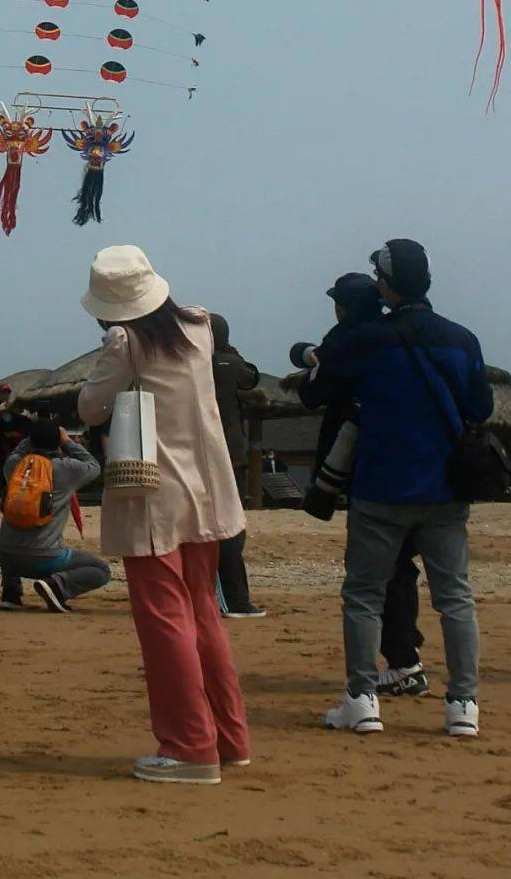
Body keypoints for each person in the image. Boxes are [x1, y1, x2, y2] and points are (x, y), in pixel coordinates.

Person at [300, 239, 490, 738]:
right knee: (455, 596)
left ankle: (362, 701)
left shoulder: (368, 339)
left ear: (384, 285)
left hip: (381, 483)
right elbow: (481, 407)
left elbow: (318, 389)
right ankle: (463, 705)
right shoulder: (461, 339)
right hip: (446, 487)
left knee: (363, 594)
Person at [77, 245, 249, 786]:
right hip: (208, 486)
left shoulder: (124, 340)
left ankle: (190, 746)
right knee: (202, 610)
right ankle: (228, 736)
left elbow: (90, 408)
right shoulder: (199, 325)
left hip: (151, 488)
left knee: (163, 619)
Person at [293, 274, 430, 698]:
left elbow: (314, 396)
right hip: (414, 460)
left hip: (363, 464)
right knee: (402, 567)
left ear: (344, 306)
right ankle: (406, 654)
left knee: (373, 574)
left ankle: (399, 662)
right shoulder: (395, 333)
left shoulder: (345, 339)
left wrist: (315, 361)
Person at [0, 418, 105, 612]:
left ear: (31, 441)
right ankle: (57, 585)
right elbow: (93, 465)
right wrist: (68, 441)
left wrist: (33, 436)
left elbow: (19, 451)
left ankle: (11, 593)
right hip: (44, 557)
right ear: (57, 442)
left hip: (3, 554)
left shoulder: (14, 466)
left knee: (12, 540)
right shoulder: (67, 469)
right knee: (101, 570)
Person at [207, 313, 264, 618]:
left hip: (200, 455)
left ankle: (203, 595)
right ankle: (234, 598)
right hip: (232, 454)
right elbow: (252, 378)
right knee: (230, 528)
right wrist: (232, 352)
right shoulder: (232, 364)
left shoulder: (195, 364)